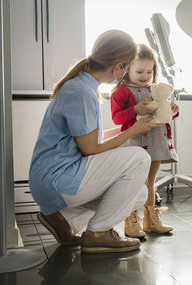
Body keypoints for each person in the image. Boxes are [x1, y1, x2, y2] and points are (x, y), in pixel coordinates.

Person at [29, 30, 161, 253]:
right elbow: (91, 149)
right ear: (118, 66)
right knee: (140, 157)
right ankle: (98, 233)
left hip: (52, 180)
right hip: (58, 180)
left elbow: (91, 140)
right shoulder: (82, 92)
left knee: (137, 193)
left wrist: (130, 127)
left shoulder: (81, 86)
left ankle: (63, 220)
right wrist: (135, 129)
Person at [110, 44, 179, 238]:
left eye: (149, 71)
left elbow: (163, 115)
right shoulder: (121, 91)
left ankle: (150, 219)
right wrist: (134, 110)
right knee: (133, 183)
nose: (145, 75)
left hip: (155, 142)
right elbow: (117, 118)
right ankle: (130, 219)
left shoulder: (155, 90)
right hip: (134, 143)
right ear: (127, 69)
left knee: (150, 183)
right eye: (139, 71)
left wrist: (172, 109)